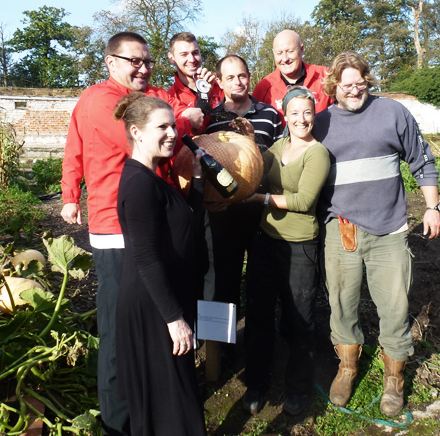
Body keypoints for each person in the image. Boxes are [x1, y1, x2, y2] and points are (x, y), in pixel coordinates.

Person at [60, 32, 193, 435]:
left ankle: (149, 407)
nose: (144, 68)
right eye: (134, 60)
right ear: (110, 62)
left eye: (149, 61)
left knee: (149, 322)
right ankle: (118, 420)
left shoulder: (140, 95)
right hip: (118, 231)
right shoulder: (104, 102)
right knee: (119, 330)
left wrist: (70, 195)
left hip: (144, 222)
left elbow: (74, 149)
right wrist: (185, 121)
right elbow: (93, 145)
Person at [312, 51, 440, 417]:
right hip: (343, 230)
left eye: (359, 84)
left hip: (389, 229)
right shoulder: (320, 124)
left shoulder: (392, 113)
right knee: (342, 305)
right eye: (346, 85)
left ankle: (394, 379)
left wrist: (432, 208)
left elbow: (422, 159)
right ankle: (348, 367)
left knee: (395, 307)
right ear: (333, 86)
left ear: (367, 80)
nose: (354, 91)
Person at [114, 92, 206, 436]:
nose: (172, 133)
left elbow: (188, 224)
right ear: (136, 132)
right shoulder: (138, 184)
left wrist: (197, 181)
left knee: (174, 397)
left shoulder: (153, 177)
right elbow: (144, 256)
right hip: (152, 308)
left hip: (165, 301)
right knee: (171, 404)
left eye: (173, 125)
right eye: (162, 127)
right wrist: (174, 318)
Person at [240, 86, 330, 416]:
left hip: (299, 245)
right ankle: (256, 382)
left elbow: (304, 202)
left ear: (314, 113)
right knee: (260, 312)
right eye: (295, 113)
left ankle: (298, 388)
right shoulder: (278, 146)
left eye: (307, 112)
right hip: (266, 239)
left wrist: (260, 199)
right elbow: (253, 168)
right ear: (285, 115)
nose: (301, 119)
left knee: (300, 319)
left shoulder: (316, 153)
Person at [202, 55, 282, 309]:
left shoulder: (270, 115)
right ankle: (223, 347)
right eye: (230, 78)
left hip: (263, 212)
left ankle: (259, 345)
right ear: (219, 82)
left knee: (262, 282)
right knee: (223, 281)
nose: (238, 82)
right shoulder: (211, 120)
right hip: (224, 213)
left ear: (249, 77)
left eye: (242, 76)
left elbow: (280, 159)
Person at [252, 30, 333, 122]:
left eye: (290, 51)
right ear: (274, 53)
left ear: (301, 50)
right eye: (279, 53)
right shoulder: (264, 87)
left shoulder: (325, 77)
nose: (285, 58)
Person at [167, 32, 223, 131]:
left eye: (195, 53)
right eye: (184, 55)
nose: (192, 59)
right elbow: (186, 132)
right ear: (172, 58)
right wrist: (205, 97)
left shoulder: (219, 83)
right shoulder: (171, 98)